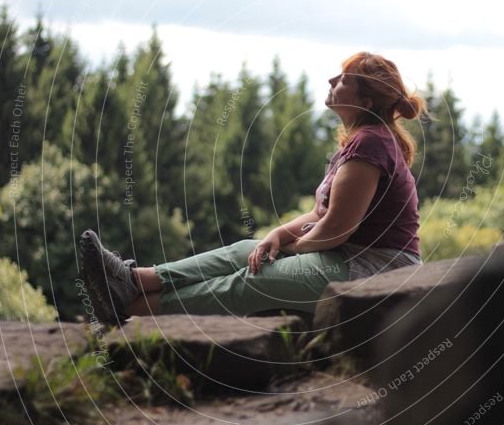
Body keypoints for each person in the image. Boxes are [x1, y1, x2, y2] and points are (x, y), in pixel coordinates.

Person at [79, 51, 428, 325]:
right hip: (350, 258)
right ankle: (132, 279)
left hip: (376, 272)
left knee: (254, 276)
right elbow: (321, 214)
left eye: (345, 79)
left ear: (365, 102)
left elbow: (336, 229)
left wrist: (293, 248)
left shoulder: (370, 144)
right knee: (247, 249)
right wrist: (277, 235)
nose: (332, 79)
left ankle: (131, 306)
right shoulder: (362, 142)